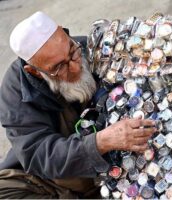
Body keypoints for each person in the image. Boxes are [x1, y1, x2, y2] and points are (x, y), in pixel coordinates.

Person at [0, 11, 156, 198]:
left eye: (72, 52)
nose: (75, 67)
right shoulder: (15, 90)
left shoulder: (88, 49)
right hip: (52, 182)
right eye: (59, 67)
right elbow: (38, 155)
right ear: (33, 71)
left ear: (64, 34)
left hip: (109, 170)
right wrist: (100, 141)